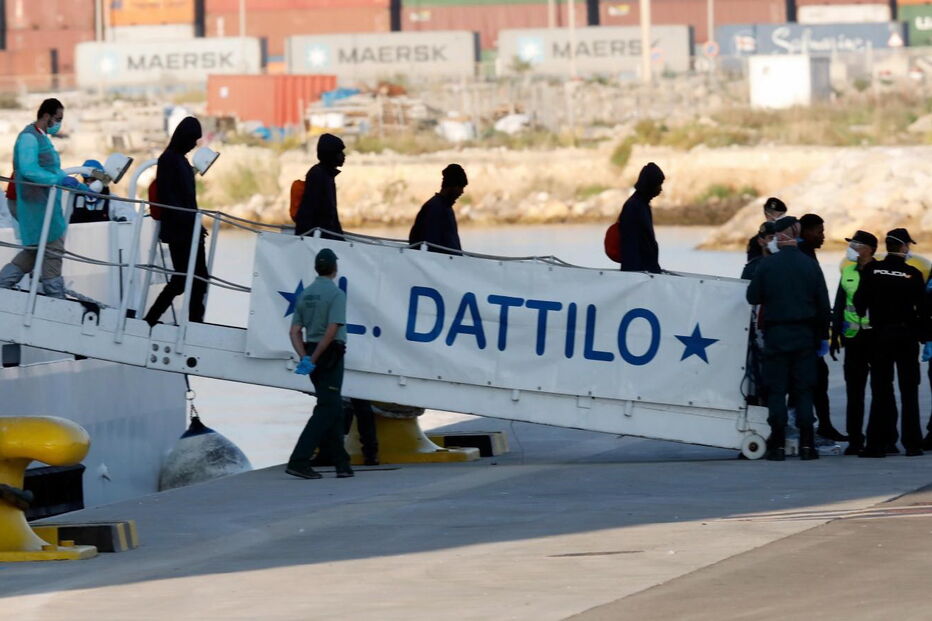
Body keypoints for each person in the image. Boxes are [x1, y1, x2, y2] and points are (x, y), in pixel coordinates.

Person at [747, 216, 831, 461]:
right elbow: (823, 305)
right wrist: (822, 336)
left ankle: (778, 445)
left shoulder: (768, 265)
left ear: (780, 236)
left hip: (776, 336)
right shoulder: (810, 265)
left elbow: (752, 297)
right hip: (804, 337)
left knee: (776, 391)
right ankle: (807, 444)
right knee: (803, 390)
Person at [0, 98, 88, 298]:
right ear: (46, 116)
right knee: (53, 247)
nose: (59, 124)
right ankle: (57, 298)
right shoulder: (29, 138)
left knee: (34, 250)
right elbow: (29, 169)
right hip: (30, 203)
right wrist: (59, 179)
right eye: (57, 119)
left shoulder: (40, 137)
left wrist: (75, 184)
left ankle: (3, 285)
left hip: (37, 202)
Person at [854, 228, 927, 458]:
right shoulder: (913, 274)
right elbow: (924, 310)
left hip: (880, 336)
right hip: (906, 337)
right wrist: (923, 335)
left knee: (881, 390)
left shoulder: (872, 270)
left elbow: (859, 302)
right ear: (904, 247)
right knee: (909, 391)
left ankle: (876, 444)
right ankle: (913, 444)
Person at [287, 248, 353, 480]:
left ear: (317, 268)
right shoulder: (336, 295)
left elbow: (294, 331)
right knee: (328, 408)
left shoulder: (305, 294)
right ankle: (299, 460)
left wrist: (305, 356)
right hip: (330, 353)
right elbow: (332, 329)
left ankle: (342, 464)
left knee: (332, 405)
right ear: (335, 269)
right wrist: (314, 359)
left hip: (312, 350)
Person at [143, 117, 210, 327]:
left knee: (196, 280)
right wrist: (190, 221)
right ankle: (156, 320)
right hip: (180, 231)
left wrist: (196, 224)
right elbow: (170, 197)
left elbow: (188, 200)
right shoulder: (170, 160)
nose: (194, 144)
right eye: (192, 139)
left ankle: (189, 323)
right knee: (186, 280)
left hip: (188, 229)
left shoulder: (180, 160)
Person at [795, 212, 847, 442]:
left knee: (819, 379)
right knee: (809, 381)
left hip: (811, 331)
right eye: (819, 231)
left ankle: (822, 424)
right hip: (805, 333)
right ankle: (811, 428)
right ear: (805, 232)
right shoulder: (802, 256)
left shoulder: (808, 254)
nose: (823, 236)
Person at [831, 231, 878, 455]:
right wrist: (834, 337)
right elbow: (839, 305)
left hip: (876, 339)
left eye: (856, 244)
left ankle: (880, 438)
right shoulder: (847, 271)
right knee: (854, 392)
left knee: (880, 391)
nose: (851, 248)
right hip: (853, 340)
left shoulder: (879, 271)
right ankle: (855, 439)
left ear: (868, 248)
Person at [742, 221, 776, 407]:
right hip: (756, 331)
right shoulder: (752, 268)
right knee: (756, 377)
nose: (774, 242)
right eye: (771, 238)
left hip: (776, 329)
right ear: (762, 241)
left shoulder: (784, 265)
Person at [294, 133, 346, 240]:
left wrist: (340, 237)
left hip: (323, 236)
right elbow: (315, 213)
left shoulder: (327, 174)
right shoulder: (318, 175)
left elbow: (332, 215)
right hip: (314, 238)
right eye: (340, 152)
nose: (344, 156)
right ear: (331, 154)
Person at [408, 164, 468, 254]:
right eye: (460, 187)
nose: (461, 192)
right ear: (452, 186)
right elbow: (430, 248)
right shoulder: (434, 209)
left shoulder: (446, 208)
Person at [619, 162, 664, 274]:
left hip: (645, 272)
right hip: (638, 274)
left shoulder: (641, 204)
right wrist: (635, 275)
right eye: (658, 185)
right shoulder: (634, 206)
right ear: (650, 185)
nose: (660, 189)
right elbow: (631, 245)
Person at [69, 159, 110, 224]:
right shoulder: (72, 198)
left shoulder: (113, 199)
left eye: (92, 180)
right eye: (86, 180)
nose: (88, 183)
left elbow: (126, 218)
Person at [746, 197, 786, 262]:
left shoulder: (788, 236)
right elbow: (752, 265)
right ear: (767, 215)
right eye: (780, 215)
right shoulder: (755, 241)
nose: (783, 218)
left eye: (783, 215)